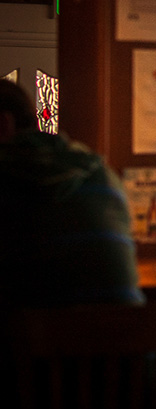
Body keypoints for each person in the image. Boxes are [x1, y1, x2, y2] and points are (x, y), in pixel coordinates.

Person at [0, 80, 144, 306]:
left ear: (3, 124)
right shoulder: (98, 170)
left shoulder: (8, 174)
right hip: (128, 325)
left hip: (45, 327)